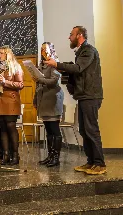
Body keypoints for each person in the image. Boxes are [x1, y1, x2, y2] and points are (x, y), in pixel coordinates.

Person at [45, 26, 106, 175]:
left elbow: (78, 68)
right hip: (84, 96)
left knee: (92, 129)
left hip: (91, 95)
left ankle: (100, 163)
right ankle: (91, 161)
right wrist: (61, 67)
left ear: (79, 35)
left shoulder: (88, 50)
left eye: (71, 34)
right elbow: (76, 69)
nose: (69, 37)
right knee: (84, 130)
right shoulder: (81, 52)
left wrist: (57, 65)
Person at [0, 46, 24, 165]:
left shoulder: (15, 66)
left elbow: (20, 84)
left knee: (10, 126)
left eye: (2, 53)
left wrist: (5, 82)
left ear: (8, 54)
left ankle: (15, 155)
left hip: (11, 99)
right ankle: (5, 154)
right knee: (2, 128)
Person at [33, 42, 64, 167]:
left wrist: (40, 79)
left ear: (51, 50)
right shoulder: (41, 65)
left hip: (52, 99)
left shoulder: (55, 63)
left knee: (54, 129)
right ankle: (50, 156)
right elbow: (38, 84)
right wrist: (35, 99)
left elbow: (54, 80)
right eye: (41, 50)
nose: (43, 52)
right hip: (43, 99)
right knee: (48, 130)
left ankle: (56, 157)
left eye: (45, 49)